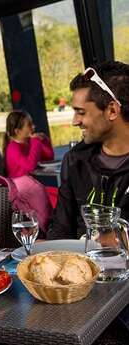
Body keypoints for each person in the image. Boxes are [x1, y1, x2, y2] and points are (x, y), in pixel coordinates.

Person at [48, 61, 129, 240]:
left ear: (112, 110)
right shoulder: (75, 160)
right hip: (81, 264)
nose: (74, 121)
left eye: (81, 112)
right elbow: (60, 229)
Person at [4, 110, 54, 178]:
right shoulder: (13, 148)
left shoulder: (29, 143)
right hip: (19, 185)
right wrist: (36, 141)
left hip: (32, 182)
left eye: (32, 123)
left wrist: (44, 141)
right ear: (18, 131)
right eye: (29, 125)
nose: (34, 126)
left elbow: (49, 158)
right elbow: (30, 166)